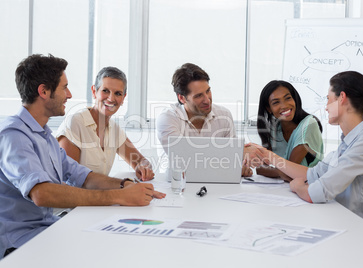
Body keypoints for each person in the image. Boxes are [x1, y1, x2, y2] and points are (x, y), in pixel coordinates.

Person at [0, 54, 165, 259]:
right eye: (64, 87)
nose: (69, 95)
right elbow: (42, 194)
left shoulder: (44, 135)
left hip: (47, 229)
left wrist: (125, 184)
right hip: (20, 244)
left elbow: (83, 176)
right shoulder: (13, 135)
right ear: (43, 91)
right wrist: (119, 196)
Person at [248, 71, 363, 225]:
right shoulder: (350, 142)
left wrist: (298, 187)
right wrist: (267, 155)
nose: (326, 107)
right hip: (337, 217)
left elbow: (316, 192)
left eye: (328, 100)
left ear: (342, 98)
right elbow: (312, 173)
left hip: (353, 227)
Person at [56, 67, 153, 180]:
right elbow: (69, 179)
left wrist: (143, 167)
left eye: (118, 93)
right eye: (105, 91)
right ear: (94, 91)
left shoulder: (114, 130)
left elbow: (141, 161)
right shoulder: (75, 122)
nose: (111, 98)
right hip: (78, 197)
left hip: (102, 195)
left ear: (123, 98)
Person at [156, 63, 252, 176]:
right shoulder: (168, 118)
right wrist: (227, 162)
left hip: (218, 182)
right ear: (182, 98)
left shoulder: (224, 115)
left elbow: (234, 159)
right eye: (198, 96)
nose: (207, 100)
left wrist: (240, 166)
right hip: (176, 185)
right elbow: (183, 161)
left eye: (208, 91)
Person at [256, 80, 323, 181]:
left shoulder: (309, 124)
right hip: (285, 189)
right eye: (276, 102)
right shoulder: (274, 130)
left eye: (288, 98)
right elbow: (260, 168)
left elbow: (291, 169)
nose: (284, 105)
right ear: (269, 109)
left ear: (294, 99)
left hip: (308, 188)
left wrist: (276, 171)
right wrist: (279, 172)